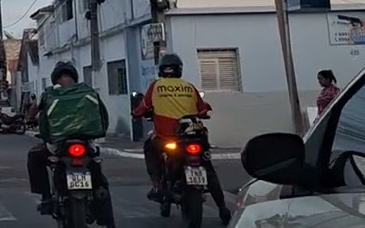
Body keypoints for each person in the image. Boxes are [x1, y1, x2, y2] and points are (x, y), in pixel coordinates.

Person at [132, 53, 233, 226]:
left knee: (150, 146)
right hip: (196, 137)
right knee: (208, 167)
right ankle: (223, 208)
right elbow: (203, 110)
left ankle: (157, 185)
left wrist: (136, 113)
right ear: (179, 69)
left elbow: (144, 107)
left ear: (162, 69)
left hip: (168, 139)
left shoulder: (156, 86)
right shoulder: (189, 87)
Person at [25, 61, 114, 222]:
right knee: (99, 175)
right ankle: (106, 215)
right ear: (74, 76)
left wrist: (30, 118)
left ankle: (45, 197)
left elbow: (33, 112)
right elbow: (102, 114)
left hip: (58, 146)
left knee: (34, 157)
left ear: (55, 78)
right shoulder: (87, 90)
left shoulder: (48, 93)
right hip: (86, 143)